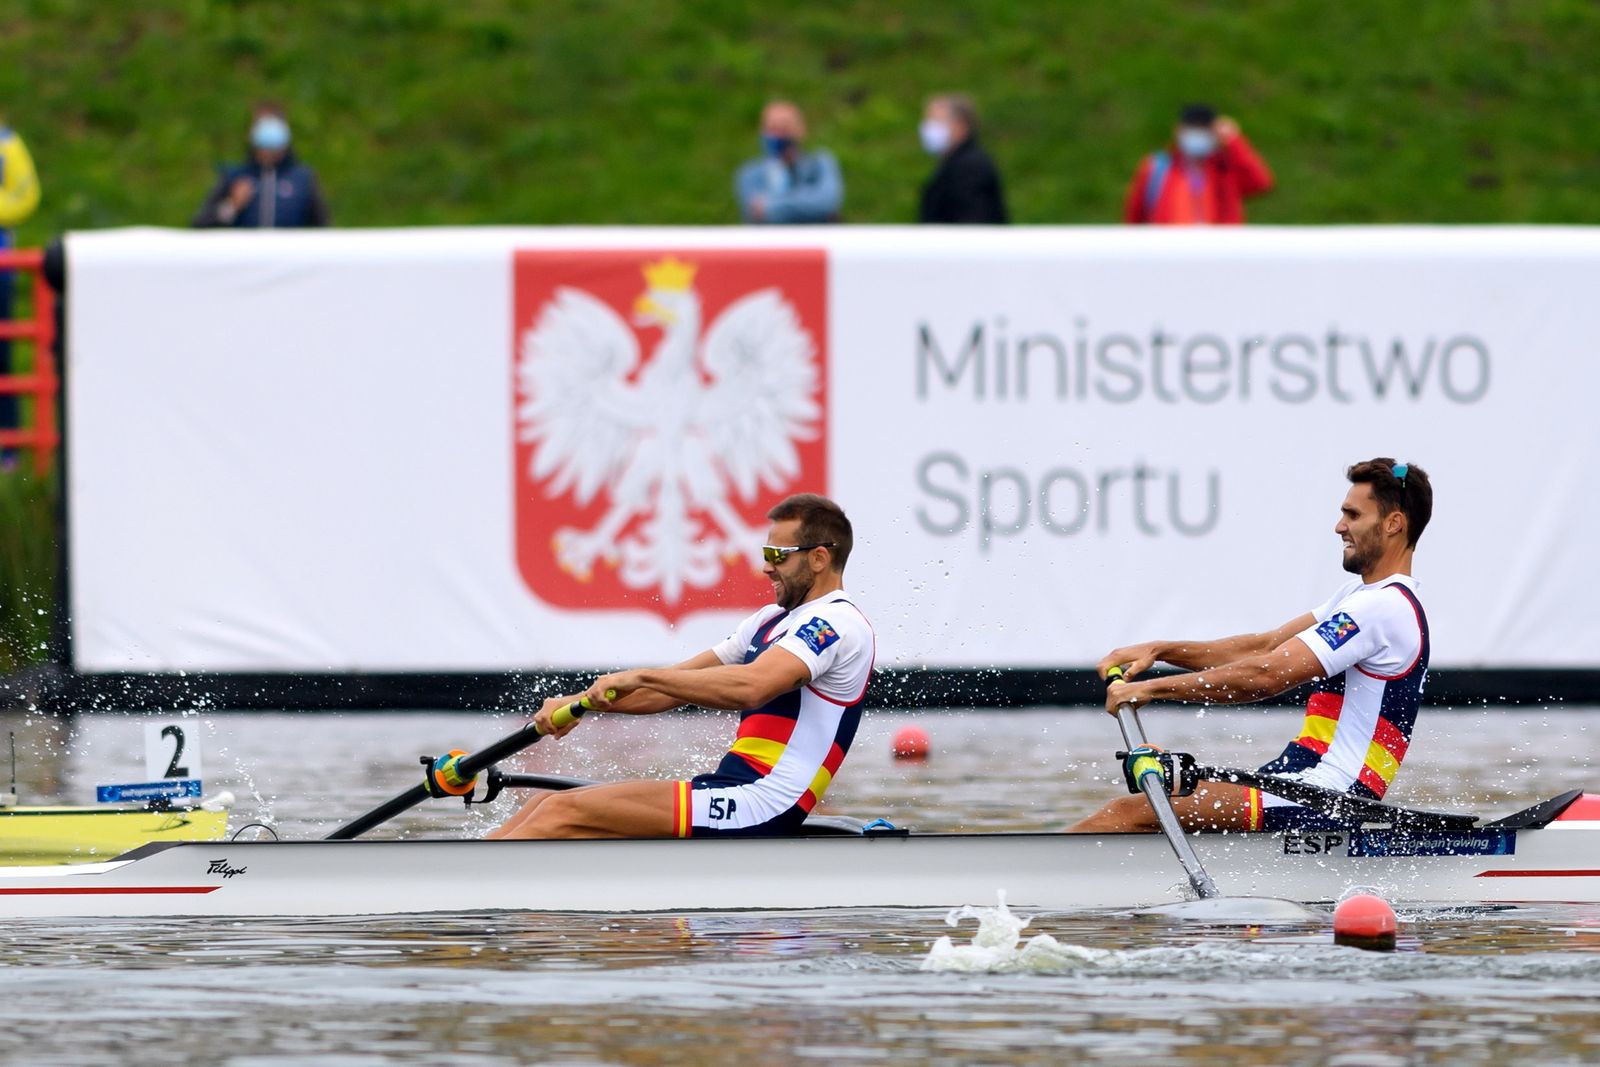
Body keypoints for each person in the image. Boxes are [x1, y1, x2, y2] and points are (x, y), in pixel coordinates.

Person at [1070, 459, 1433, 833]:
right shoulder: (1359, 597)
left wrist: (1151, 688)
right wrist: (1161, 651)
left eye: (1353, 515)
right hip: (1298, 778)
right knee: (1164, 794)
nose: (1339, 526)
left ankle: (1019, 890)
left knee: (1125, 814)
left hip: (1328, 796)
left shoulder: (1382, 609)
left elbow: (1266, 676)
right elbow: (1265, 647)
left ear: (1393, 524)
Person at [490, 493, 874, 839]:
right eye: (765, 553)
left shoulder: (838, 624)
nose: (766, 568)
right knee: (539, 805)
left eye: (777, 555)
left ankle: (480, 905)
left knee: (561, 810)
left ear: (819, 558)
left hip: (765, 802)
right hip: (732, 789)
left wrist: (638, 674)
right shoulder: (768, 621)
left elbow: (752, 687)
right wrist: (575, 704)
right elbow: (668, 688)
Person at [1123, 103, 1273, 225]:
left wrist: (1233, 140)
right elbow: (1135, 216)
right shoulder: (1157, 168)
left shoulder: (1225, 168)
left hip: (1216, 254)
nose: (1198, 134)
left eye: (1204, 129)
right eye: (1193, 128)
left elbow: (1260, 183)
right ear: (1179, 131)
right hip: (1170, 253)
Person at [192, 105, 331, 228]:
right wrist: (231, 206)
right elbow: (200, 225)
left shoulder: (302, 179)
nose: (268, 151)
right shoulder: (234, 177)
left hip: (290, 256)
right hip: (243, 256)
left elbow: (323, 227)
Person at [0, 119, 41, 459]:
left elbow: (25, 195)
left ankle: (8, 453)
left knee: (3, 355)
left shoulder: (6, 143)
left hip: (2, 263)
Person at [734, 101, 843, 224]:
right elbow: (754, 214)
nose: (779, 135)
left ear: (800, 130)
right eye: (773, 128)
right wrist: (806, 201)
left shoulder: (819, 164)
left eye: (785, 128)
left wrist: (771, 205)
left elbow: (826, 202)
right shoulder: (750, 174)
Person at [918, 93, 1008, 225]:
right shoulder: (956, 163)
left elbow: (975, 220)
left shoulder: (970, 167)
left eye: (936, 121)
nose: (929, 128)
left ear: (960, 125)